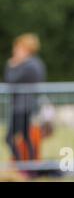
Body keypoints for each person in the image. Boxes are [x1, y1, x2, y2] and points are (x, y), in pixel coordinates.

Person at [4, 33, 46, 161]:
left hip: (23, 107)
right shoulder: (33, 64)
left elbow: (10, 79)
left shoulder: (30, 64)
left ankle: (24, 164)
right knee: (26, 138)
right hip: (23, 106)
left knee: (11, 138)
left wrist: (11, 65)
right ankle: (28, 166)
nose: (14, 51)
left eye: (17, 48)